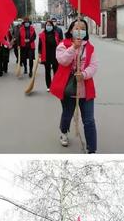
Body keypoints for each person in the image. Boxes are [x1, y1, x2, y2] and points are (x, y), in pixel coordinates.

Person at [51, 18, 98, 153]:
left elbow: (94, 66)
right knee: (67, 113)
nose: (79, 31)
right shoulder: (63, 45)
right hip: (68, 88)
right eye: (76, 28)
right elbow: (62, 61)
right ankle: (64, 132)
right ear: (71, 30)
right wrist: (74, 48)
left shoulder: (90, 47)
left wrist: (84, 74)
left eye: (82, 28)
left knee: (89, 120)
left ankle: (92, 149)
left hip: (85, 89)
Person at [39, 20, 60, 91]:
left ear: (52, 26)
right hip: (46, 55)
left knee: (56, 71)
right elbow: (40, 45)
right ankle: (49, 86)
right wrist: (39, 54)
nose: (48, 26)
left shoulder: (56, 34)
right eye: (47, 25)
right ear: (45, 26)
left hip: (55, 55)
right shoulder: (42, 35)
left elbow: (59, 43)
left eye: (50, 25)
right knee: (47, 71)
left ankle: (56, 84)